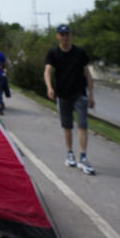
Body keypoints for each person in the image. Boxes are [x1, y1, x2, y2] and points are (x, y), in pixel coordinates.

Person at [44, 25, 96, 175]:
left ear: (70, 36)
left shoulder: (80, 53)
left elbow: (88, 74)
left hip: (80, 93)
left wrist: (91, 94)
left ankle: (83, 157)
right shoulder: (53, 53)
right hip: (63, 94)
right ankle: (70, 154)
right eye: (62, 35)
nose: (65, 37)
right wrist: (49, 87)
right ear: (57, 36)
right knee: (67, 126)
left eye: (67, 34)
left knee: (83, 125)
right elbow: (47, 70)